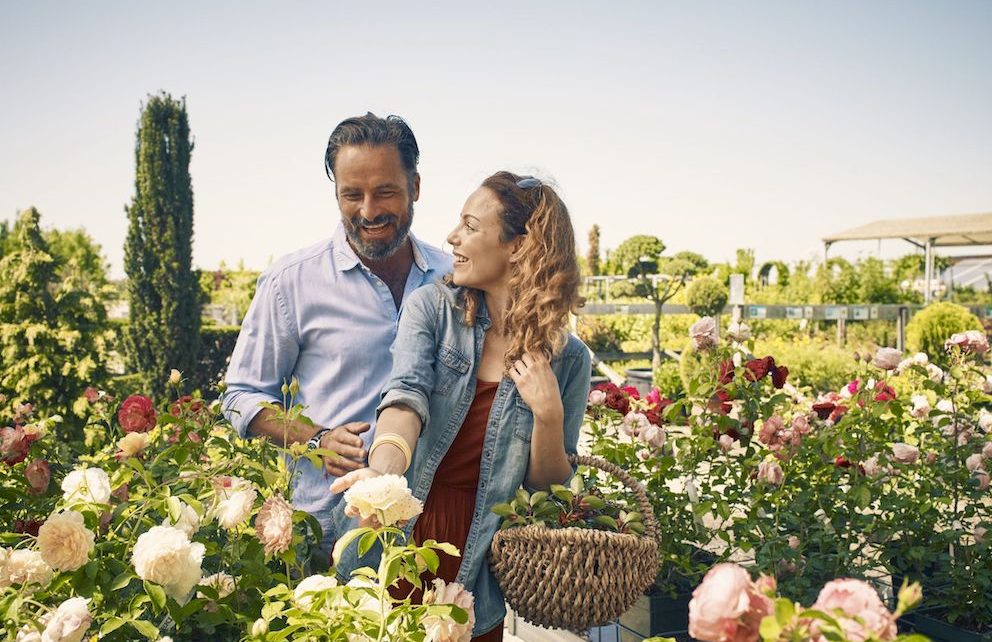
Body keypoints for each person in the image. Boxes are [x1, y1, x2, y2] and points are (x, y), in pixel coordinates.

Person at [331, 171, 591, 641]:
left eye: (470, 226)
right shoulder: (432, 308)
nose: (452, 237)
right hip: (401, 531)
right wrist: (383, 474)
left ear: (519, 246)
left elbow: (547, 488)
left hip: (478, 555)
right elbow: (404, 398)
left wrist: (548, 414)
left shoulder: (570, 359)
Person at [222, 113, 451, 549]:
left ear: (415, 187)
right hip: (327, 530)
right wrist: (317, 438)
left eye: (385, 191)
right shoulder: (290, 282)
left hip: (439, 526)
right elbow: (240, 397)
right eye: (352, 195)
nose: (368, 211)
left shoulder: (456, 279)